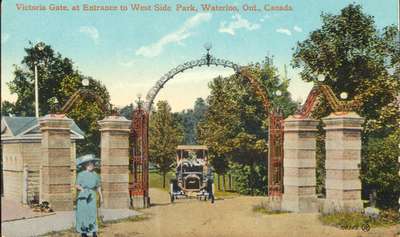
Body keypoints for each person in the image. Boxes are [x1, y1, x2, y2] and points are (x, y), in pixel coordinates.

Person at [75, 154, 103, 237]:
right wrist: (82, 189)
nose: (91, 166)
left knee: (92, 213)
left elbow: (98, 186)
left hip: (92, 196)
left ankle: (94, 231)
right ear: (85, 165)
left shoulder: (96, 175)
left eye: (92, 164)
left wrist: (101, 197)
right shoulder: (81, 174)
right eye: (89, 164)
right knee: (83, 213)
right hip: (83, 196)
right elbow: (77, 185)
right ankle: (84, 232)